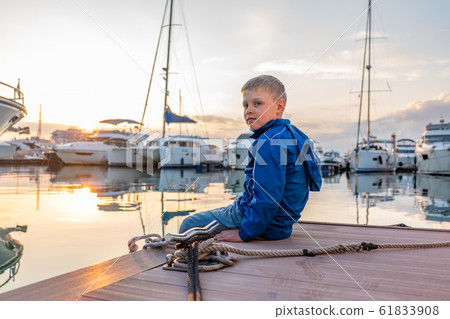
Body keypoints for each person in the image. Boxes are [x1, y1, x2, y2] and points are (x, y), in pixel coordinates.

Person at [179, 75, 322, 242]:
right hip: (282, 225)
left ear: (279, 106)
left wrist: (244, 233)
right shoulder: (295, 135)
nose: (249, 110)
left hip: (264, 225)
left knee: (189, 224)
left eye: (257, 103)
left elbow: (267, 197)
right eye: (245, 105)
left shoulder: (268, 143)